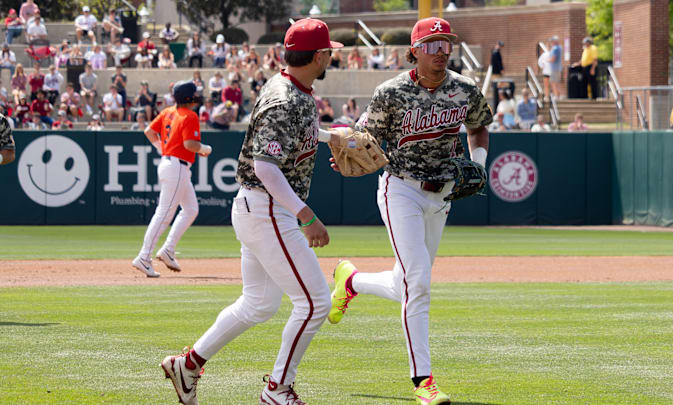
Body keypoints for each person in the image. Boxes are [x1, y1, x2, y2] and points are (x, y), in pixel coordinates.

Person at [159, 18, 342, 405]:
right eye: (329, 51)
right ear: (320, 55)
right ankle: (278, 389)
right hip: (267, 207)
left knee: (258, 304)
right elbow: (265, 167)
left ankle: (188, 365)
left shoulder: (290, 87)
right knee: (315, 303)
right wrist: (306, 214)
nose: (330, 56)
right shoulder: (285, 98)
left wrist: (332, 137)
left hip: (259, 208)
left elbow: (288, 134)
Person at [328, 17, 492, 405]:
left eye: (446, 43)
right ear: (414, 50)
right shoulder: (391, 92)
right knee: (419, 281)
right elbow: (364, 136)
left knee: (407, 282)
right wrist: (348, 153)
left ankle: (351, 282)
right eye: (433, 44)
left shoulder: (464, 89)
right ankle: (423, 380)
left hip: (444, 193)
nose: (441, 50)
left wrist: (479, 162)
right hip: (400, 188)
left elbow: (479, 127)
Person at [133, 80, 211, 277]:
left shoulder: (168, 112)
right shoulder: (190, 115)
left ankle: (168, 249)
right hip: (176, 167)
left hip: (173, 165)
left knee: (191, 209)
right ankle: (144, 256)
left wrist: (162, 149)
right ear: (188, 97)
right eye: (194, 94)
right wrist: (204, 149)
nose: (196, 96)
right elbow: (190, 144)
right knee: (164, 213)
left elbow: (149, 132)